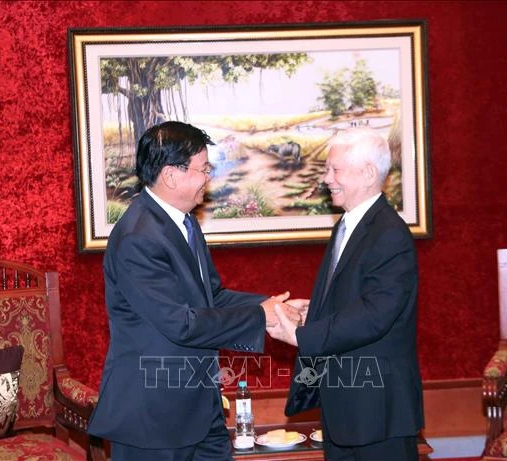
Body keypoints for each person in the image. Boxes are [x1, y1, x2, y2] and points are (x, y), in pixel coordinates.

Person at [87, 121, 299, 461]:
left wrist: (271, 306)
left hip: (199, 408)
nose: (208, 178)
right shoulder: (138, 237)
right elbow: (180, 324)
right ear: (171, 175)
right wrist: (261, 316)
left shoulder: (182, 222)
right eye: (203, 169)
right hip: (154, 417)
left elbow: (210, 297)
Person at [267, 127, 424, 460]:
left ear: (368, 173)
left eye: (334, 169)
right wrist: (315, 311)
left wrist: (301, 335)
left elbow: (376, 315)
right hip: (346, 408)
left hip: (378, 412)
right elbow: (356, 297)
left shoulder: (389, 234)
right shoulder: (348, 224)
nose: (327, 178)